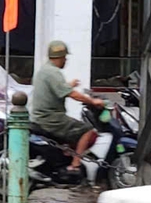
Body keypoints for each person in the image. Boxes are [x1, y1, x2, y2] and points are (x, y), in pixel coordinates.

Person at [29, 40, 104, 171]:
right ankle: (75, 165)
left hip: (41, 116)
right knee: (87, 131)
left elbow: (57, 90)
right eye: (65, 58)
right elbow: (73, 95)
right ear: (60, 57)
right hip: (50, 118)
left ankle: (65, 155)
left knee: (73, 130)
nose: (66, 61)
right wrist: (93, 101)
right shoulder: (53, 73)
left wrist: (70, 85)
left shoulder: (44, 70)